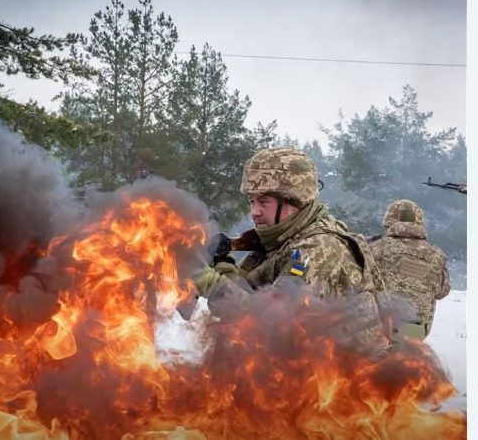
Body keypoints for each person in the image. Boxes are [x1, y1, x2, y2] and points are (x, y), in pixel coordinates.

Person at [193, 147, 389, 349]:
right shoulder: (283, 241)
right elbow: (258, 299)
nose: (255, 212)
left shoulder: (316, 248)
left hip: (344, 375)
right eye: (251, 201)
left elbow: (275, 323)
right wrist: (229, 274)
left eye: (263, 202)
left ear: (293, 200)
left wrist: (213, 285)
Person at [369, 199, 450, 339]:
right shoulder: (436, 256)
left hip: (379, 327)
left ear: (389, 220)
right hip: (415, 332)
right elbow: (442, 292)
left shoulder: (376, 248)